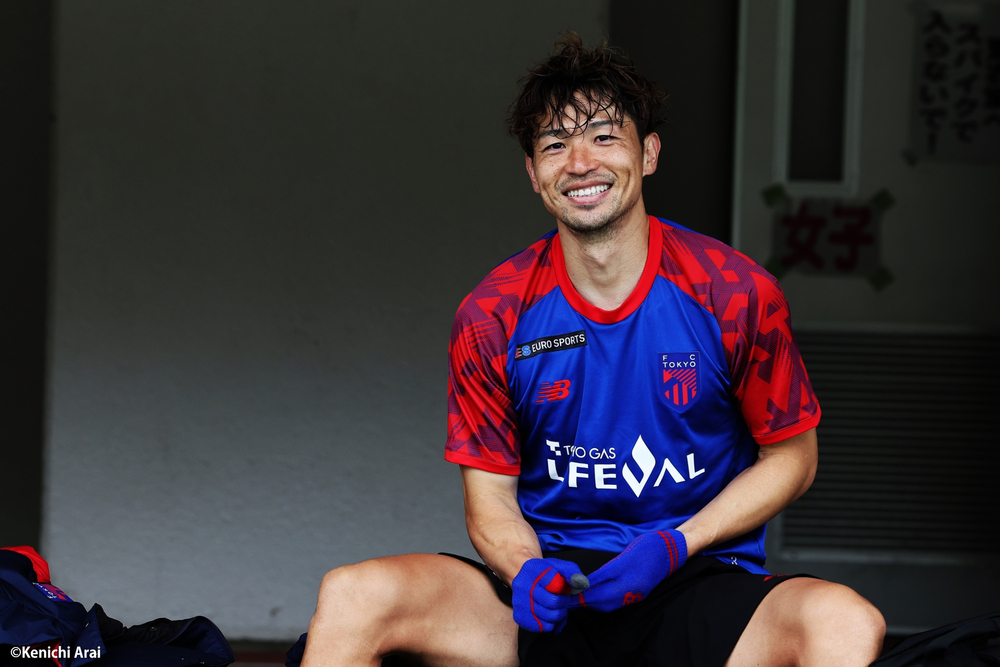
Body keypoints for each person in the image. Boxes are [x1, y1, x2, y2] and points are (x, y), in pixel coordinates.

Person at [299, 34, 885, 667]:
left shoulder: (734, 292)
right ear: (533, 173)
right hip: (550, 590)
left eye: (604, 137)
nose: (579, 162)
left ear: (648, 153)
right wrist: (524, 568)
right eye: (555, 145)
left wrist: (675, 544)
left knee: (844, 621)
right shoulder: (492, 314)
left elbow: (793, 458)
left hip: (695, 576)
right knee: (354, 595)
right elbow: (490, 498)